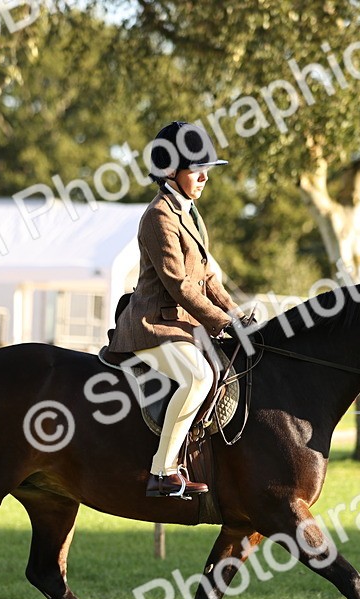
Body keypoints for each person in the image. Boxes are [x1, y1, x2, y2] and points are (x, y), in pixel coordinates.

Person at [108, 121, 240, 498]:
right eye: (196, 169)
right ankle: (162, 471)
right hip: (152, 326)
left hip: (183, 327)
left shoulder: (190, 212)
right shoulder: (159, 216)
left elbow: (208, 277)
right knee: (198, 377)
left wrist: (236, 313)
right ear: (170, 170)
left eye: (207, 170)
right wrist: (220, 321)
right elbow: (179, 285)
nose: (204, 178)